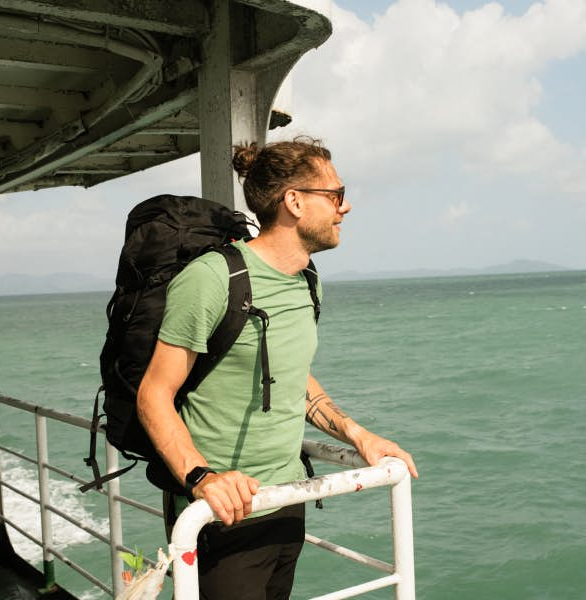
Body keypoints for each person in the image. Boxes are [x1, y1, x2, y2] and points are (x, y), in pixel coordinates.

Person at [137, 137, 418, 599]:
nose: (344, 208)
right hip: (224, 512)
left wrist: (358, 434)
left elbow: (291, 375)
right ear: (294, 201)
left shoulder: (308, 282)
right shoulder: (212, 279)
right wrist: (202, 479)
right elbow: (154, 394)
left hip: (288, 500)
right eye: (336, 195)